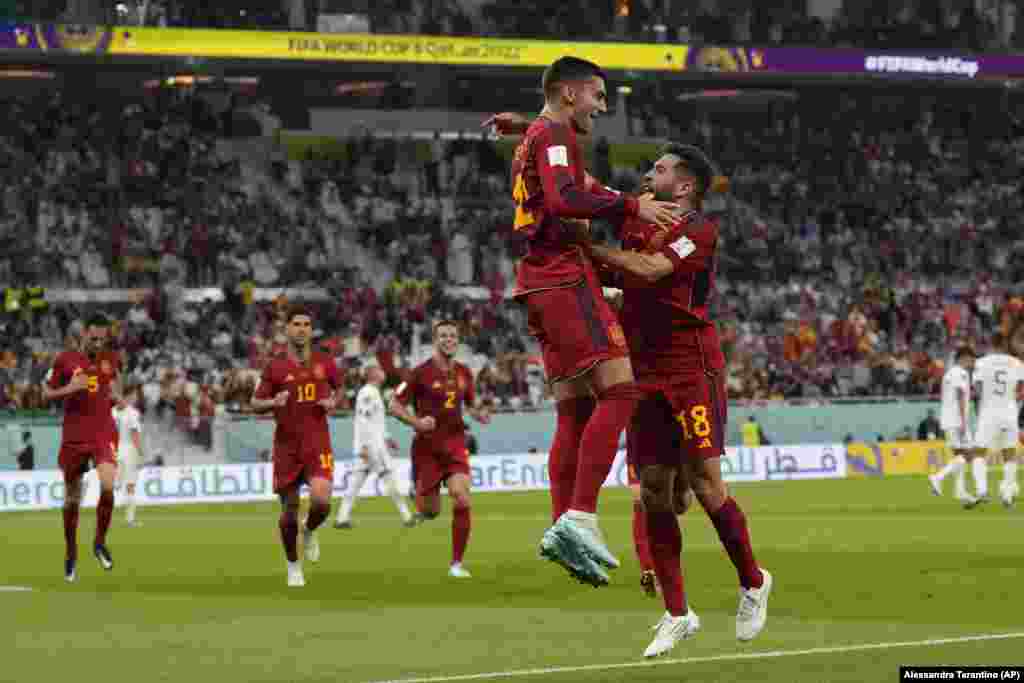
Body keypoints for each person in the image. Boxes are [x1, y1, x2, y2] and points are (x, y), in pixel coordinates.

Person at [495, 56, 680, 587]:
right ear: (571, 94)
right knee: (620, 392)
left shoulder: (542, 133)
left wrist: (524, 125)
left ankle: (562, 526)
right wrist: (631, 207)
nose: (603, 105)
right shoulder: (556, 134)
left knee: (574, 412)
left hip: (536, 279)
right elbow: (563, 196)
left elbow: (567, 180)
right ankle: (579, 518)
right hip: (562, 276)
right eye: (598, 95)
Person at [584, 144, 771, 655]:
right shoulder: (635, 225)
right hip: (643, 371)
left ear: (685, 187)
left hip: (691, 369)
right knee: (653, 491)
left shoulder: (700, 232)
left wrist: (590, 250)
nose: (650, 173)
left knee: (706, 485)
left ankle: (753, 582)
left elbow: (649, 271)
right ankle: (676, 612)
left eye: (661, 169)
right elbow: (622, 277)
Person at [390, 320, 491, 578]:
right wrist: (416, 422)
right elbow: (394, 405)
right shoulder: (419, 373)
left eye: (453, 336)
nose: (449, 340)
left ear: (458, 341)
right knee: (431, 511)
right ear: (435, 340)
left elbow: (471, 404)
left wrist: (479, 413)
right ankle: (418, 494)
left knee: (461, 496)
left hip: (456, 445)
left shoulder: (464, 372)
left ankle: (456, 564)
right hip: (427, 450)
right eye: (444, 336)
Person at [251, 305, 341, 587]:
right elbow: (255, 402)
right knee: (289, 510)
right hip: (287, 447)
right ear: (287, 329)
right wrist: (272, 402)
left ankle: (311, 529)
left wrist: (333, 402)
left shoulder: (325, 362)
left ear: (311, 330)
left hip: (317, 442)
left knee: (322, 501)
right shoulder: (275, 366)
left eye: (306, 324)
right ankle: (293, 565)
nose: (302, 329)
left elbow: (339, 389)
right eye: (296, 324)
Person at [42, 314, 122, 583]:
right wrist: (70, 387)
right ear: (83, 334)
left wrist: (115, 397)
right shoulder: (65, 359)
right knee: (72, 499)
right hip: (75, 435)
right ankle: (70, 552)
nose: (99, 344)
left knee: (109, 485)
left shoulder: (110, 359)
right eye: (94, 338)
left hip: (102, 431)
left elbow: (116, 390)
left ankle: (99, 543)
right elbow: (46, 394)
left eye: (103, 339)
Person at [335, 363, 414, 529]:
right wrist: (365, 446)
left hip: (371, 445)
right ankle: (407, 517)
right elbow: (364, 419)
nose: (383, 372)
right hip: (373, 448)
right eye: (380, 370)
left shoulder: (372, 392)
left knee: (355, 484)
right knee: (390, 480)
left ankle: (342, 518)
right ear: (373, 375)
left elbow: (374, 421)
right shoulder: (368, 392)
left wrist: (387, 437)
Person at [972, 334, 1024, 507]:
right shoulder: (1016, 363)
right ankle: (1007, 497)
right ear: (1005, 344)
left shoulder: (982, 362)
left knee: (979, 453)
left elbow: (977, 388)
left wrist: (981, 403)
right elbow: (1021, 387)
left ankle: (982, 491)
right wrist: (1014, 397)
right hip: (1009, 412)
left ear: (992, 344)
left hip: (989, 411)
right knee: (1009, 455)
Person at [929, 346, 978, 505]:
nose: (972, 363)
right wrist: (964, 422)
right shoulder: (961, 373)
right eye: (971, 359)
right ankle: (938, 477)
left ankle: (961, 492)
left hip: (949, 420)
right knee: (969, 454)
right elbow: (960, 396)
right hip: (957, 421)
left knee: (959, 456)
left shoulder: (949, 373)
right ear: (963, 358)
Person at [113, 385, 147, 526]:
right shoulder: (133, 413)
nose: (135, 398)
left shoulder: (111, 412)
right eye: (134, 395)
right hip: (128, 451)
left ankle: (106, 517)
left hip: (114, 451)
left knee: (116, 485)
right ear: (129, 396)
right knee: (131, 486)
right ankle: (130, 520)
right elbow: (135, 435)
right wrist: (140, 454)